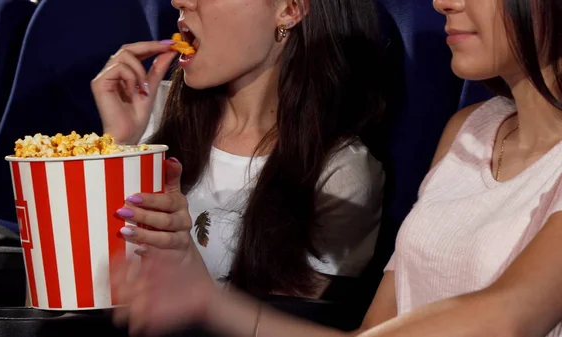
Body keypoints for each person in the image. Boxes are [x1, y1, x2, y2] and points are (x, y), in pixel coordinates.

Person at [110, 0, 562, 336]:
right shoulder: (469, 129)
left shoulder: (340, 168)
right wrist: (118, 148)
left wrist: (213, 305)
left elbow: (509, 317)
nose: (443, 1)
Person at [91, 0, 385, 299]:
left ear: (289, 10)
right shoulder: (147, 110)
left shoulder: (339, 176)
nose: (179, 1)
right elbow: (87, 283)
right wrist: (116, 146)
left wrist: (183, 260)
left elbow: (273, 327)